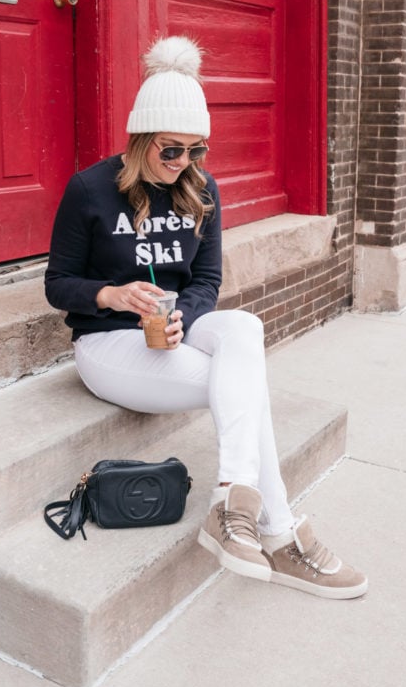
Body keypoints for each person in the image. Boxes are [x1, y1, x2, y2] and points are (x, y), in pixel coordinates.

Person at [45, 36, 367, 599]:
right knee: (247, 388)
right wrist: (113, 296)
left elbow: (206, 282)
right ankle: (281, 534)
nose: (183, 164)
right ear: (142, 137)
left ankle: (231, 500)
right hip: (107, 347)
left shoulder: (202, 192)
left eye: (196, 151)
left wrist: (183, 320)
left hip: (175, 332)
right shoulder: (89, 190)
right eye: (171, 150)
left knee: (244, 328)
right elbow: (58, 286)